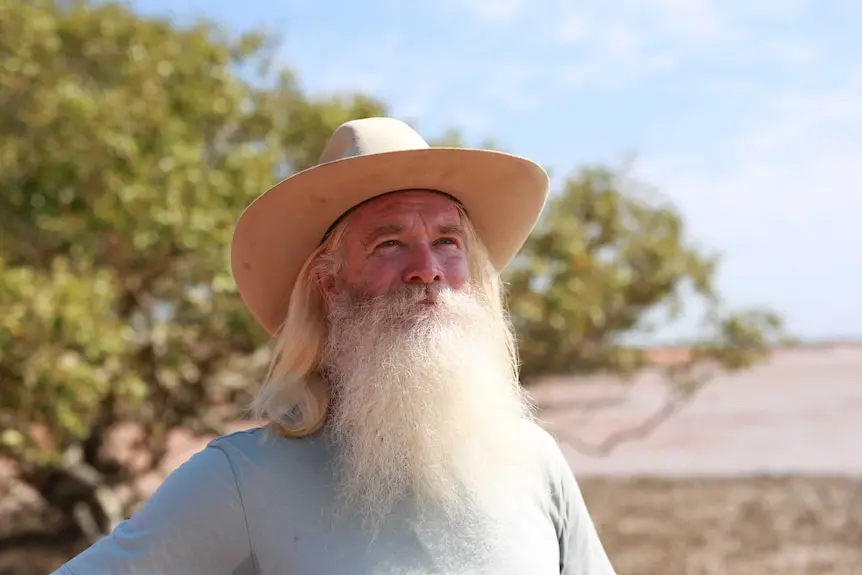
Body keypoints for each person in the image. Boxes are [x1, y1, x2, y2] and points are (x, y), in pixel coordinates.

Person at [54, 117, 617, 574]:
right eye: (390, 243)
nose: (427, 271)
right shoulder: (244, 480)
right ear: (330, 282)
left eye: (447, 242)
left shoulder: (534, 460)